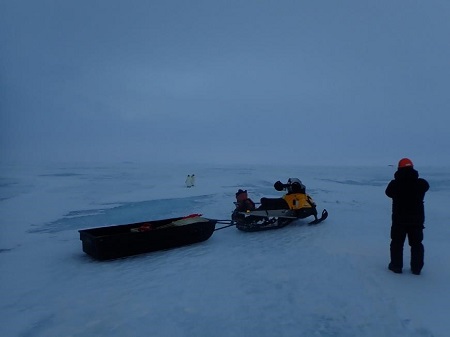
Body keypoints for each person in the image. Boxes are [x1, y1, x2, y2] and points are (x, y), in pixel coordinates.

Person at [385, 158, 429, 275]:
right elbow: (426, 186)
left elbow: (388, 192)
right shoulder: (420, 183)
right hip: (416, 220)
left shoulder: (395, 184)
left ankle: (396, 266)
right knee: (416, 244)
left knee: (397, 243)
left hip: (399, 220)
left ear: (399, 169)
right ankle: (417, 268)